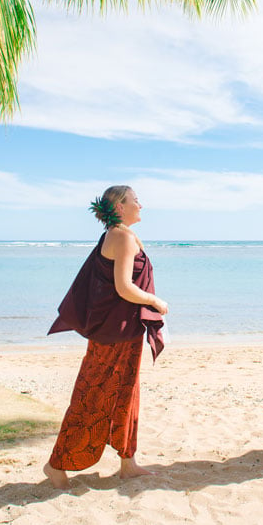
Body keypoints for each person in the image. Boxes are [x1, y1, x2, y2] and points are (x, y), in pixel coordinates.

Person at [43, 185, 169, 488]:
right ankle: (56, 466)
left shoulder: (117, 234)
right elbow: (124, 287)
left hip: (121, 329)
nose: (142, 204)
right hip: (115, 333)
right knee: (93, 396)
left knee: (125, 394)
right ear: (120, 206)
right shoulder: (122, 237)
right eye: (136, 200)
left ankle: (128, 463)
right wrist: (155, 302)